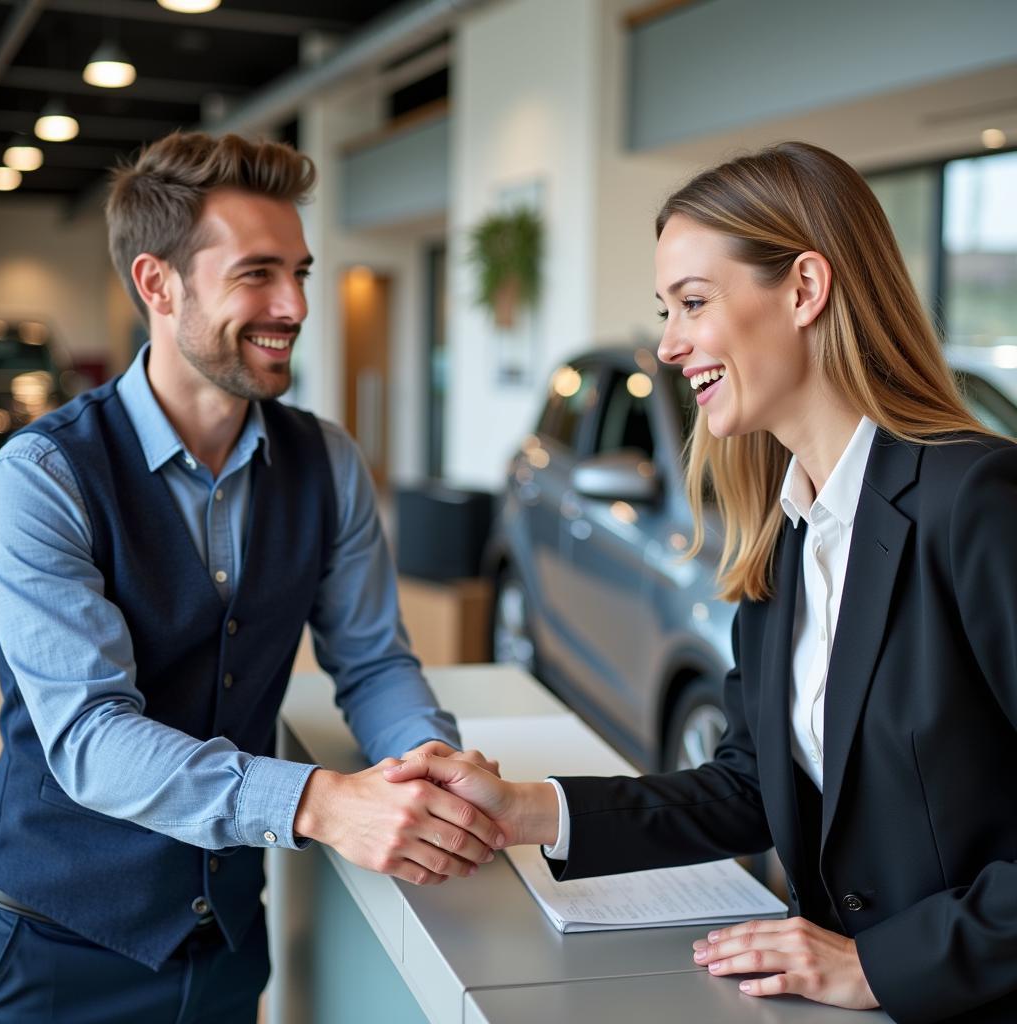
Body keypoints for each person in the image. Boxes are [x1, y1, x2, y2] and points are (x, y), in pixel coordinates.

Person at [387, 142, 1017, 1023]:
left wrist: (879, 966)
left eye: (692, 303)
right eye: (666, 310)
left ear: (804, 289)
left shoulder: (977, 498)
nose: (671, 344)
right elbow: (750, 786)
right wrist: (524, 810)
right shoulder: (790, 532)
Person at [0, 131, 500, 1022]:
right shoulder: (42, 475)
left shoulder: (327, 461)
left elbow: (374, 662)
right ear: (158, 283)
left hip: (227, 941)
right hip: (58, 945)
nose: (297, 303)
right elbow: (89, 736)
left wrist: (429, 762)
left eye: (300, 270)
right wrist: (319, 802)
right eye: (258, 273)